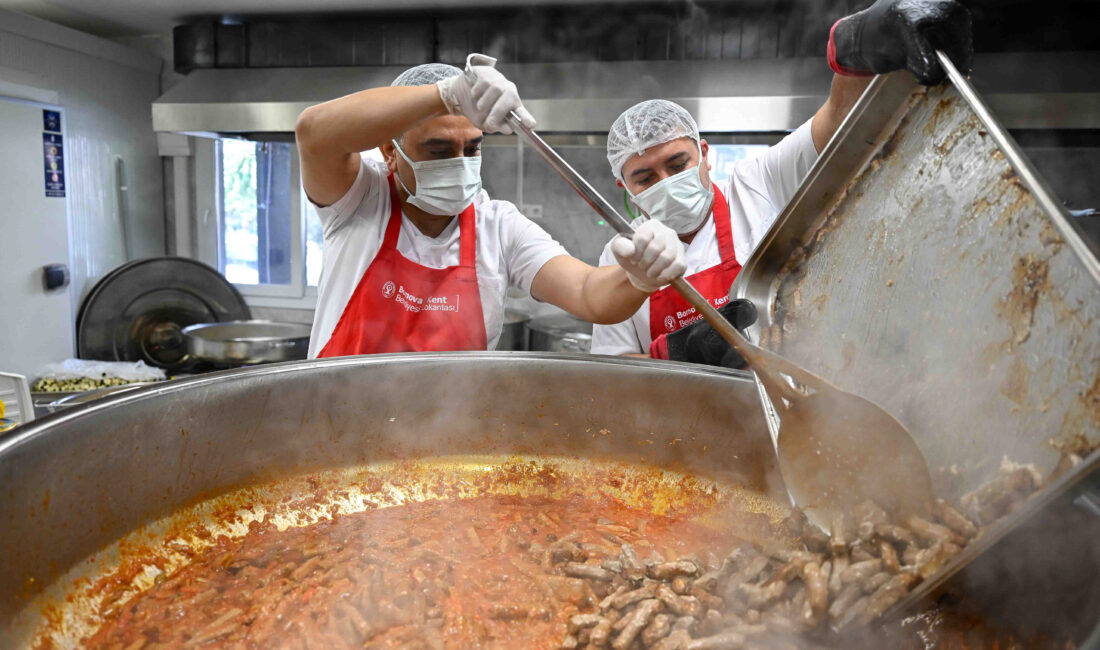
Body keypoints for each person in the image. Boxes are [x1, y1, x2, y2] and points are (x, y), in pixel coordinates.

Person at [591, 0, 972, 366]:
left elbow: (838, 119)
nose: (667, 182)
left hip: (783, 399)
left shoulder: (759, 183)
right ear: (626, 189)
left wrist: (857, 44)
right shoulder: (620, 256)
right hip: (678, 410)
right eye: (645, 178)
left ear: (704, 154)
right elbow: (611, 368)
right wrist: (677, 355)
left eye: (678, 164)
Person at [296, 56, 687, 357]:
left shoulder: (497, 227)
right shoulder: (359, 197)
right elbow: (313, 133)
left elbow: (587, 292)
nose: (459, 164)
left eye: (471, 149)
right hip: (338, 427)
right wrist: (446, 95)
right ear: (389, 152)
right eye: (439, 151)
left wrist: (638, 277)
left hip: (452, 432)